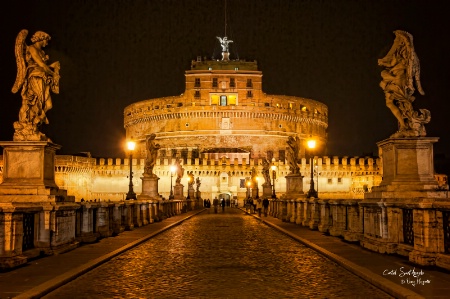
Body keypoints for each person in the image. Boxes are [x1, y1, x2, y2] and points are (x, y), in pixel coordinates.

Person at [12, 30, 60, 141]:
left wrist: (54, 65)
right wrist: (53, 73)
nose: (47, 43)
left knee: (48, 105)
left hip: (43, 79)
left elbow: (45, 66)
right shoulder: (32, 49)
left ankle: (35, 124)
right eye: (46, 40)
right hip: (35, 77)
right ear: (40, 38)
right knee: (35, 102)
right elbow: (41, 65)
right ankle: (30, 127)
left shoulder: (42, 52)